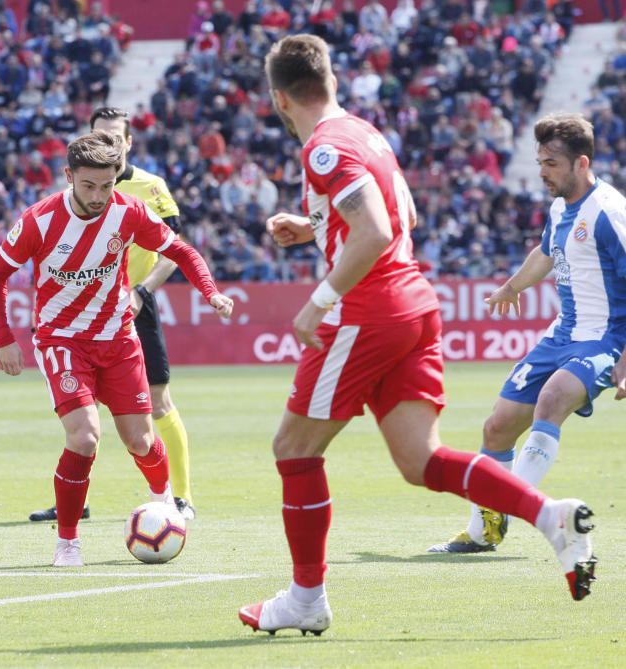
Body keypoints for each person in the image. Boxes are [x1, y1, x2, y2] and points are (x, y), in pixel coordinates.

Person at [237, 35, 597, 637]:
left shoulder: (323, 148)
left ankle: (305, 598)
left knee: (294, 449)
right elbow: (403, 216)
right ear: (330, 81)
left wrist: (318, 300)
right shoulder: (364, 132)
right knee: (420, 461)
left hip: (366, 310)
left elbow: (375, 231)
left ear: (278, 99)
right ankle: (548, 515)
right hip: (414, 303)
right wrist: (316, 225)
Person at [0, 130, 233, 567]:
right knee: (85, 436)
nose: (98, 195)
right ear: (68, 176)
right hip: (62, 341)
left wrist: (210, 293)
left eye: (106, 185)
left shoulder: (129, 212)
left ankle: (164, 505)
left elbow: (183, 251)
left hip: (118, 340)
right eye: (88, 185)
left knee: (140, 440)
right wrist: (4, 337)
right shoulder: (40, 220)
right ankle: (67, 543)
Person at [429, 113, 626, 554]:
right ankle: (484, 532)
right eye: (539, 161)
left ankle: (516, 504)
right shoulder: (560, 208)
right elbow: (546, 251)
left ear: (581, 162)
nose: (542, 172)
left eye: (551, 163)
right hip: (561, 335)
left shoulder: (609, 213)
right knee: (498, 428)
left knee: (552, 399)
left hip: (605, 338)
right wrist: (511, 286)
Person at [28, 107, 197, 523]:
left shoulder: (151, 188)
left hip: (134, 303)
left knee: (155, 404)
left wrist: (142, 291)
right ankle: (77, 501)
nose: (107, 143)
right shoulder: (81, 187)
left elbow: (174, 250)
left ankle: (180, 497)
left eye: (115, 138)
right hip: (82, 308)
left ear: (129, 143)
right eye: (99, 135)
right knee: (85, 416)